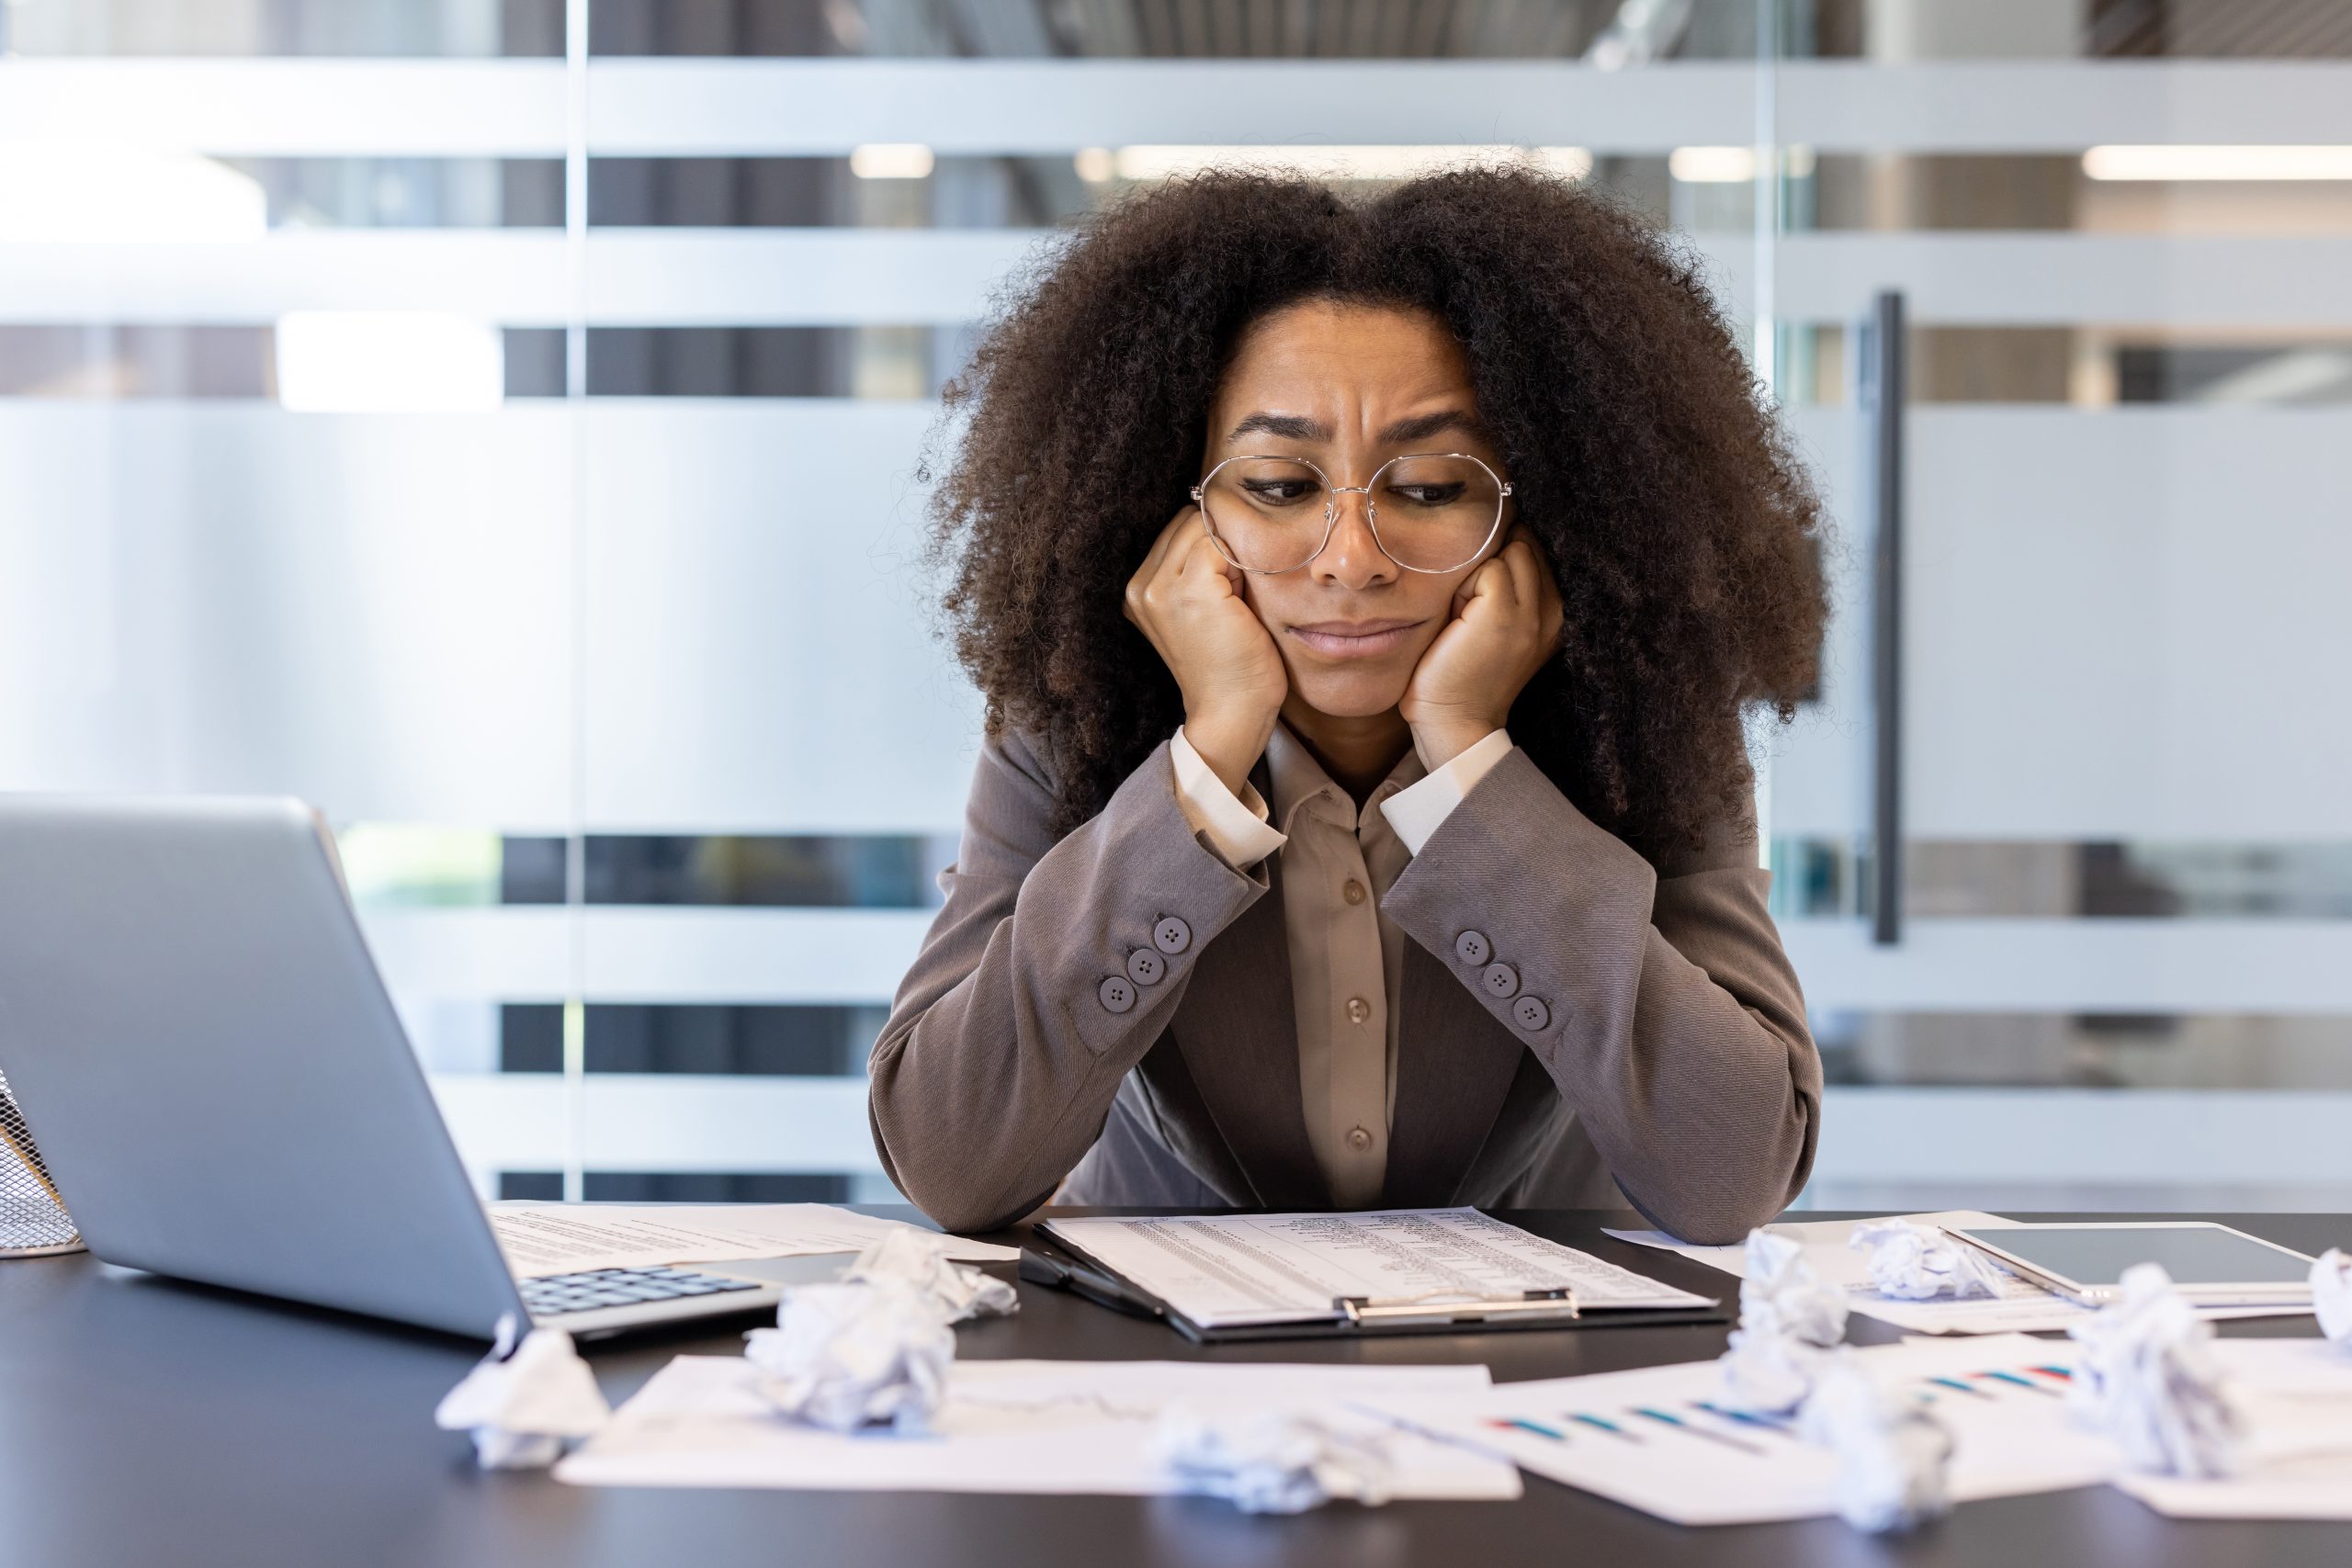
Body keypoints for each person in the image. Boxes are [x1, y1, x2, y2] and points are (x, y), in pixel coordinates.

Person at [869, 166, 1828, 1243]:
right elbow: (948, 1158)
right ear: (1174, 513)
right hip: (1152, 1365)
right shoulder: (1067, 723)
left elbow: (1736, 1169)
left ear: (1543, 507)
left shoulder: (1640, 728)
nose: (1352, 560)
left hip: (1541, 1355)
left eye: (1429, 489)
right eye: (1278, 487)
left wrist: (1470, 768)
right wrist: (1207, 757)